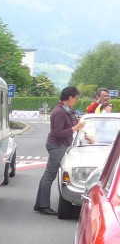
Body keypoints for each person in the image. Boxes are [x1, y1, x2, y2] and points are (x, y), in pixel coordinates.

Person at [34, 85, 85, 215]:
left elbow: (73, 125)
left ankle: (39, 204)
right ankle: (43, 206)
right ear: (70, 97)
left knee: (47, 174)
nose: (77, 100)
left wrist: (82, 132)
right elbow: (57, 133)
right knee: (50, 175)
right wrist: (75, 128)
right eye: (76, 97)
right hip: (56, 145)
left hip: (60, 145)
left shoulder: (67, 110)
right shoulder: (59, 112)